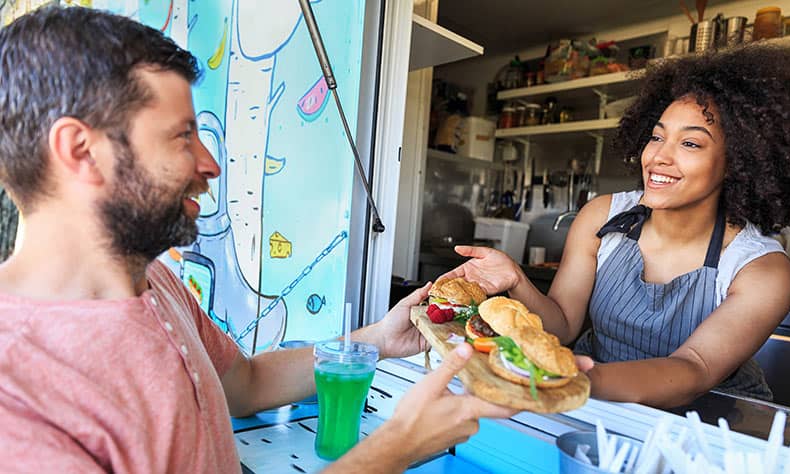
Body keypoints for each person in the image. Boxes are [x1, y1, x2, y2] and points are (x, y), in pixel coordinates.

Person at [0, 7, 516, 473]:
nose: (211, 164)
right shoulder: (16, 396)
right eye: (183, 136)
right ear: (80, 151)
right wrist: (393, 450)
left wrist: (378, 340)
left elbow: (245, 383)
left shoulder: (152, 279)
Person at [443, 44, 790, 408]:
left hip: (708, 419)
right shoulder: (602, 217)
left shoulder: (761, 270)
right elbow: (562, 324)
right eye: (656, 137)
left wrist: (567, 379)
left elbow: (694, 369)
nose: (658, 158)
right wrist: (517, 280)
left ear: (739, 163)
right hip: (588, 398)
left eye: (690, 144)